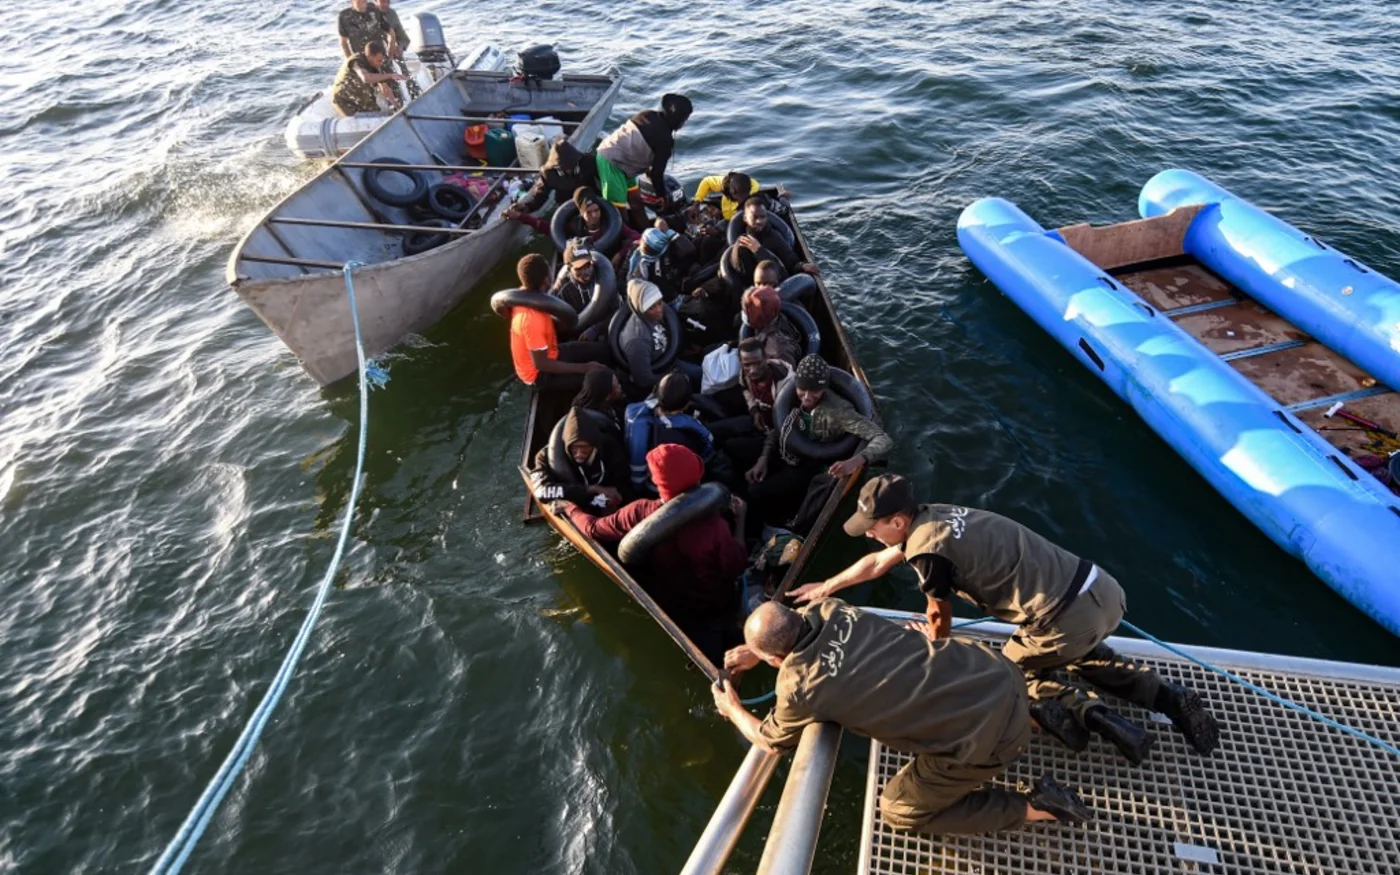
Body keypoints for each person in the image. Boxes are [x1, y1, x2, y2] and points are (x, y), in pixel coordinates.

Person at [790, 473, 1222, 764]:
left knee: (1003, 675)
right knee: (1082, 653)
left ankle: (1097, 719)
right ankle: (1168, 697)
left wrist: (936, 651)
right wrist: (827, 586)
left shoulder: (927, 553)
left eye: (873, 527)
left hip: (1063, 617)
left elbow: (937, 615)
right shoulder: (936, 515)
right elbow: (877, 563)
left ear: (898, 521)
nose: (869, 534)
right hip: (1102, 591)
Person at [713, 600, 1094, 835]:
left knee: (899, 811)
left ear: (775, 660)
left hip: (990, 738)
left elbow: (771, 740)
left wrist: (733, 708)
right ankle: (1036, 713)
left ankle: (1038, 807)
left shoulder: (799, 686)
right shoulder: (831, 608)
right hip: (997, 674)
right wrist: (760, 650)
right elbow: (797, 631)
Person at [563, 443, 748, 661]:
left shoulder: (638, 512)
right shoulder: (714, 526)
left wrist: (570, 508)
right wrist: (740, 519)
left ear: (656, 482)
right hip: (712, 606)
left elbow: (592, 528)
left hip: (668, 603)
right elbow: (736, 566)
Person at [747, 355, 891, 534]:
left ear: (824, 388)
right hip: (789, 454)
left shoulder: (840, 411)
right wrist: (763, 458)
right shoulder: (790, 398)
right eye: (802, 389)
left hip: (815, 465)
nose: (807, 397)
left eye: (815, 390)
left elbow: (883, 439)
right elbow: (780, 427)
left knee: (761, 492)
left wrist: (856, 461)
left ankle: (792, 530)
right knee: (742, 463)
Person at [507, 253, 610, 391]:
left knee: (603, 351)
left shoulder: (523, 297)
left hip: (552, 352)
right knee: (602, 379)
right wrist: (584, 368)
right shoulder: (532, 319)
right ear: (547, 279)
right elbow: (542, 364)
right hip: (541, 375)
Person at [595, 93, 694, 228]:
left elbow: (640, 148)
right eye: (684, 119)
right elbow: (656, 174)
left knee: (637, 204)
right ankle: (626, 236)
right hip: (612, 162)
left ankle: (646, 232)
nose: (683, 123)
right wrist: (662, 196)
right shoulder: (665, 140)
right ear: (678, 118)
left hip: (625, 162)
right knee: (618, 213)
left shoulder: (648, 114)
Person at [529, 407, 629, 514]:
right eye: (574, 448)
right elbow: (541, 492)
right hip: (575, 506)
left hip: (607, 502)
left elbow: (624, 479)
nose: (579, 453)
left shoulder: (610, 446)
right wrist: (590, 489)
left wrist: (616, 497)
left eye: (585, 448)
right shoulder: (544, 456)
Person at [721, 338, 792, 473]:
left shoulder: (784, 385)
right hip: (761, 423)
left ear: (766, 358)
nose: (753, 370)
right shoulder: (745, 374)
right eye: (747, 365)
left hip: (780, 437)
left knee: (732, 447)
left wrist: (764, 457)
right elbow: (745, 389)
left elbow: (784, 425)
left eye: (757, 363)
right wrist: (754, 410)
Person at [724, 197, 820, 284]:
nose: (759, 221)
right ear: (745, 218)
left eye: (762, 217)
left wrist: (802, 266)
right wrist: (759, 252)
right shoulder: (743, 245)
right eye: (755, 217)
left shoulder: (774, 236)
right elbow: (747, 279)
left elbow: (790, 261)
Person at [505, 142, 601, 220]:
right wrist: (527, 207)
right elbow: (540, 194)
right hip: (566, 203)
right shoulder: (548, 173)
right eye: (565, 167)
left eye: (571, 165)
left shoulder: (588, 161)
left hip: (590, 197)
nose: (569, 170)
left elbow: (604, 179)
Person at [330, 41, 405, 117]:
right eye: (379, 60)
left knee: (381, 115)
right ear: (369, 57)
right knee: (359, 121)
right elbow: (366, 78)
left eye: (382, 60)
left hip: (361, 100)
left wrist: (397, 108)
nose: (381, 63)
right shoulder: (357, 61)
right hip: (344, 100)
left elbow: (386, 89)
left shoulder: (375, 67)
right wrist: (390, 75)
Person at [741, 283, 802, 367]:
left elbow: (784, 373)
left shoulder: (777, 350)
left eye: (745, 309)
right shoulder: (774, 317)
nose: (742, 312)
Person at [694, 171, 760, 220]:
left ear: (734, 192)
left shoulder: (751, 198)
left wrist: (718, 231)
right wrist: (696, 205)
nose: (728, 199)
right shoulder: (729, 182)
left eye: (729, 197)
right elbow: (707, 182)